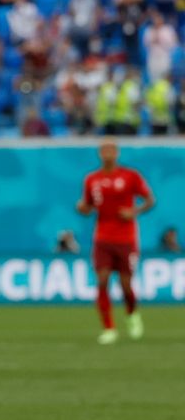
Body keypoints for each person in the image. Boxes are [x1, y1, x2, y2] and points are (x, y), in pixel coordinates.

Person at [76, 139, 155, 344]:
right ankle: (109, 328)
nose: (108, 154)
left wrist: (134, 211)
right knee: (102, 281)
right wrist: (82, 208)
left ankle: (131, 314)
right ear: (99, 154)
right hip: (102, 237)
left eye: (111, 150)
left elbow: (149, 200)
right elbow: (87, 206)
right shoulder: (91, 180)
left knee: (125, 284)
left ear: (117, 153)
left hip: (126, 239)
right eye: (104, 150)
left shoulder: (130, 176)